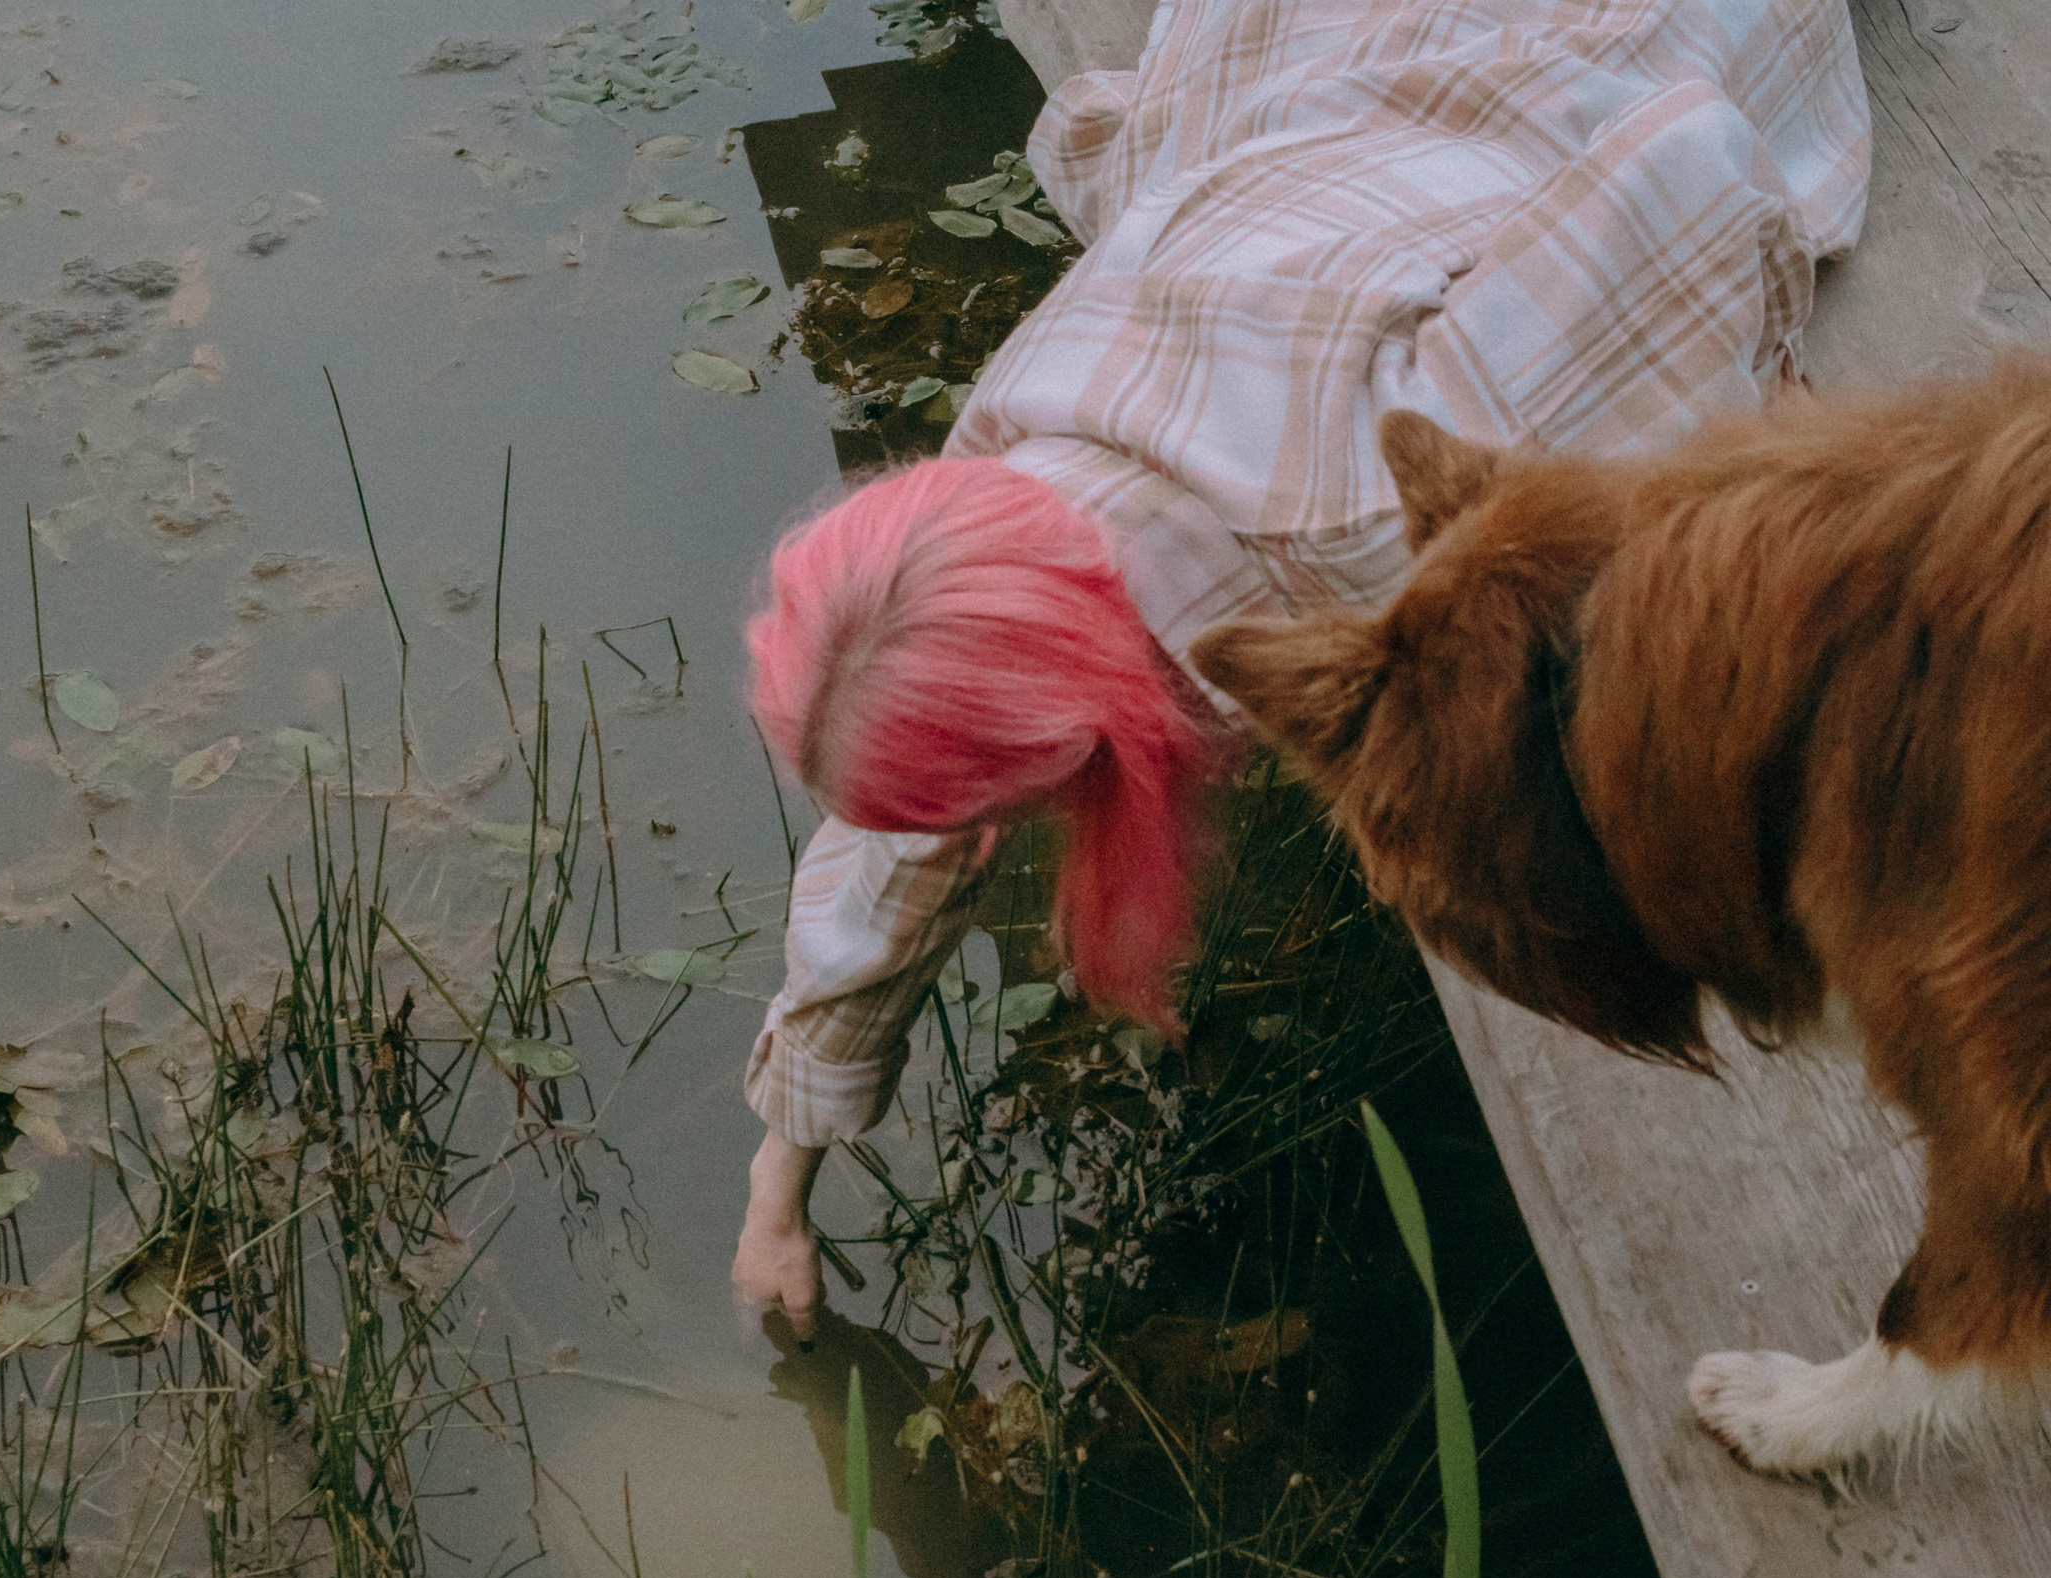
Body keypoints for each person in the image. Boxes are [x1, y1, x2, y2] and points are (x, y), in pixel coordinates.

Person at [734, 0, 1872, 1333]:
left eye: (996, 808)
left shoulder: (1363, 497)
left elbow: (1693, 154)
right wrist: (779, 1185)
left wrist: (1736, 465)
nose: (991, 836)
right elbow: (895, 843)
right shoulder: (998, 473)